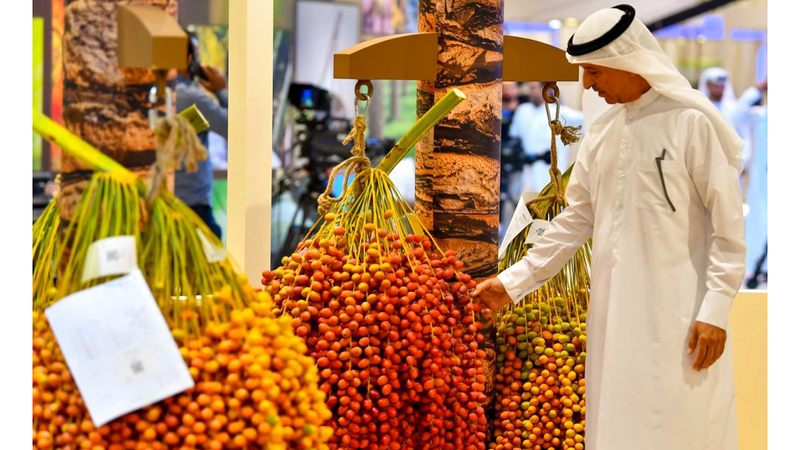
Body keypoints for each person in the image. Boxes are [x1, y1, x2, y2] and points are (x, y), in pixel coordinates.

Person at [472, 5, 745, 449]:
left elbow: (728, 232)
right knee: (616, 421)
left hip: (680, 317)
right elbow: (575, 220)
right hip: (612, 316)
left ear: (628, 62)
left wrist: (714, 311)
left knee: (682, 425)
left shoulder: (692, 123)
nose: (586, 85)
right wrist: (513, 282)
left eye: (595, 71)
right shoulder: (602, 133)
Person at [174, 29, 228, 239]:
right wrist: (222, 89)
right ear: (189, 58)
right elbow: (234, 129)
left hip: (166, 199)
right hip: (192, 204)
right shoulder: (191, 98)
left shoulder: (162, 93)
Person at [509, 82, 584, 196]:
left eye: (533, 88)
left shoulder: (559, 112)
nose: (530, 92)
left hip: (550, 171)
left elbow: (585, 121)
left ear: (546, 89)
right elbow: (514, 137)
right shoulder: (523, 111)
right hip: (528, 171)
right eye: (529, 88)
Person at [698, 67, 766, 169]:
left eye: (721, 86)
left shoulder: (733, 109)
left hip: (730, 166)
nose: (719, 89)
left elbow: (743, 137)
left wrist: (742, 162)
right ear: (707, 85)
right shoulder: (699, 108)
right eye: (715, 86)